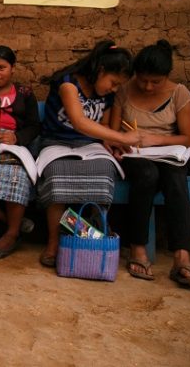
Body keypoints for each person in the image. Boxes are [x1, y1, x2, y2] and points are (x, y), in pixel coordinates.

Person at [37, 40, 141, 267]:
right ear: (100, 70)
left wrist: (111, 142)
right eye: (113, 83)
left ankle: (92, 237)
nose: (114, 89)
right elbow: (79, 121)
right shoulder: (68, 84)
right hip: (57, 142)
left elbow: (102, 125)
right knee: (57, 173)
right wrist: (122, 137)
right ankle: (53, 243)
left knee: (105, 170)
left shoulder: (108, 94)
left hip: (89, 144)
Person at [109, 40, 190, 284]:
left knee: (175, 177)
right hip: (134, 156)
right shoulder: (124, 90)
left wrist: (155, 139)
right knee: (147, 175)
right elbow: (113, 130)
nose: (148, 86)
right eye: (142, 80)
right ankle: (137, 248)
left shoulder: (179, 93)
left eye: (155, 81)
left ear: (167, 76)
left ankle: (182, 256)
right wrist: (120, 144)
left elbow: (189, 138)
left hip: (167, 152)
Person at [0, 45, 40, 259]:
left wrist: (17, 137)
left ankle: (12, 232)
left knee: (16, 177)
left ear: (12, 68)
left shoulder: (24, 93)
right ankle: (9, 222)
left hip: (14, 146)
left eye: (1, 68)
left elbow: (35, 126)